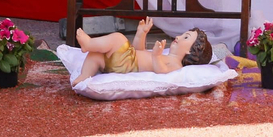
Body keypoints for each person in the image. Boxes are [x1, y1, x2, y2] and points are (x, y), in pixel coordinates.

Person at [72, 17, 213, 83]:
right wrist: (141, 34)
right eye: (182, 34)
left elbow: (162, 71)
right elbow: (138, 51)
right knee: (96, 55)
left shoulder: (176, 64)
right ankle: (84, 76)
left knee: (119, 38)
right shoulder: (164, 54)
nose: (178, 37)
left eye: (185, 37)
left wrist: (156, 56)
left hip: (128, 65)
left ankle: (88, 43)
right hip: (128, 59)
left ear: (191, 52)